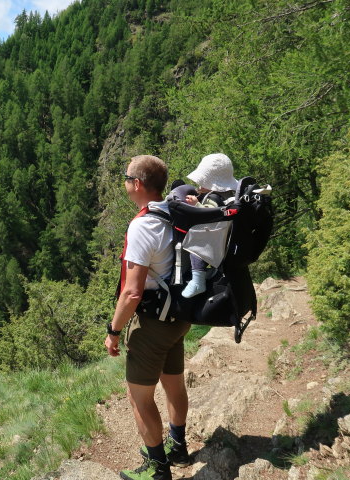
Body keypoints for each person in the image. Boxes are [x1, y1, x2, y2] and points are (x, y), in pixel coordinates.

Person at [105, 155, 192, 480]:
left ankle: (157, 470)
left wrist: (113, 330)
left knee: (139, 397)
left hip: (153, 322)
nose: (125, 182)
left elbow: (131, 293)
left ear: (137, 184)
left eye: (126, 177)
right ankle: (178, 447)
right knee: (173, 384)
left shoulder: (143, 225)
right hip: (180, 316)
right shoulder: (174, 212)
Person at [176, 153, 238, 299]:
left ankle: (198, 279)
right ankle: (204, 273)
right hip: (225, 241)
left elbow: (208, 214)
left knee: (195, 239)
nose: (199, 185)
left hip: (213, 241)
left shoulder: (213, 198)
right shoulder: (231, 195)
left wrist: (195, 205)